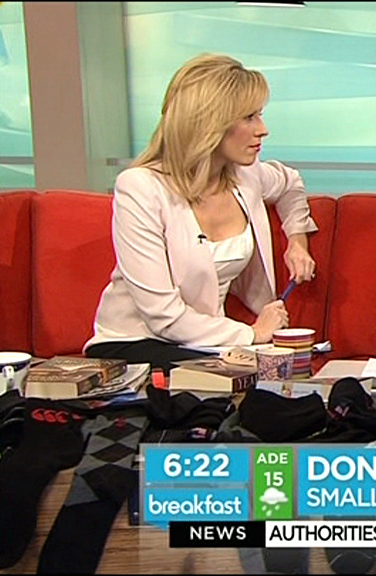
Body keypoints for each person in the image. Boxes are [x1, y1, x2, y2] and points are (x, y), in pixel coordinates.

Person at [84, 53, 318, 373]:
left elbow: (291, 185)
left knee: (277, 376)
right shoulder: (141, 187)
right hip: (137, 344)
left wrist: (297, 241)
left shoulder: (246, 176)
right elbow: (162, 315)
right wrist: (252, 334)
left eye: (259, 115)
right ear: (209, 122)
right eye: (249, 117)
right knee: (248, 377)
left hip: (209, 346)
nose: (262, 130)